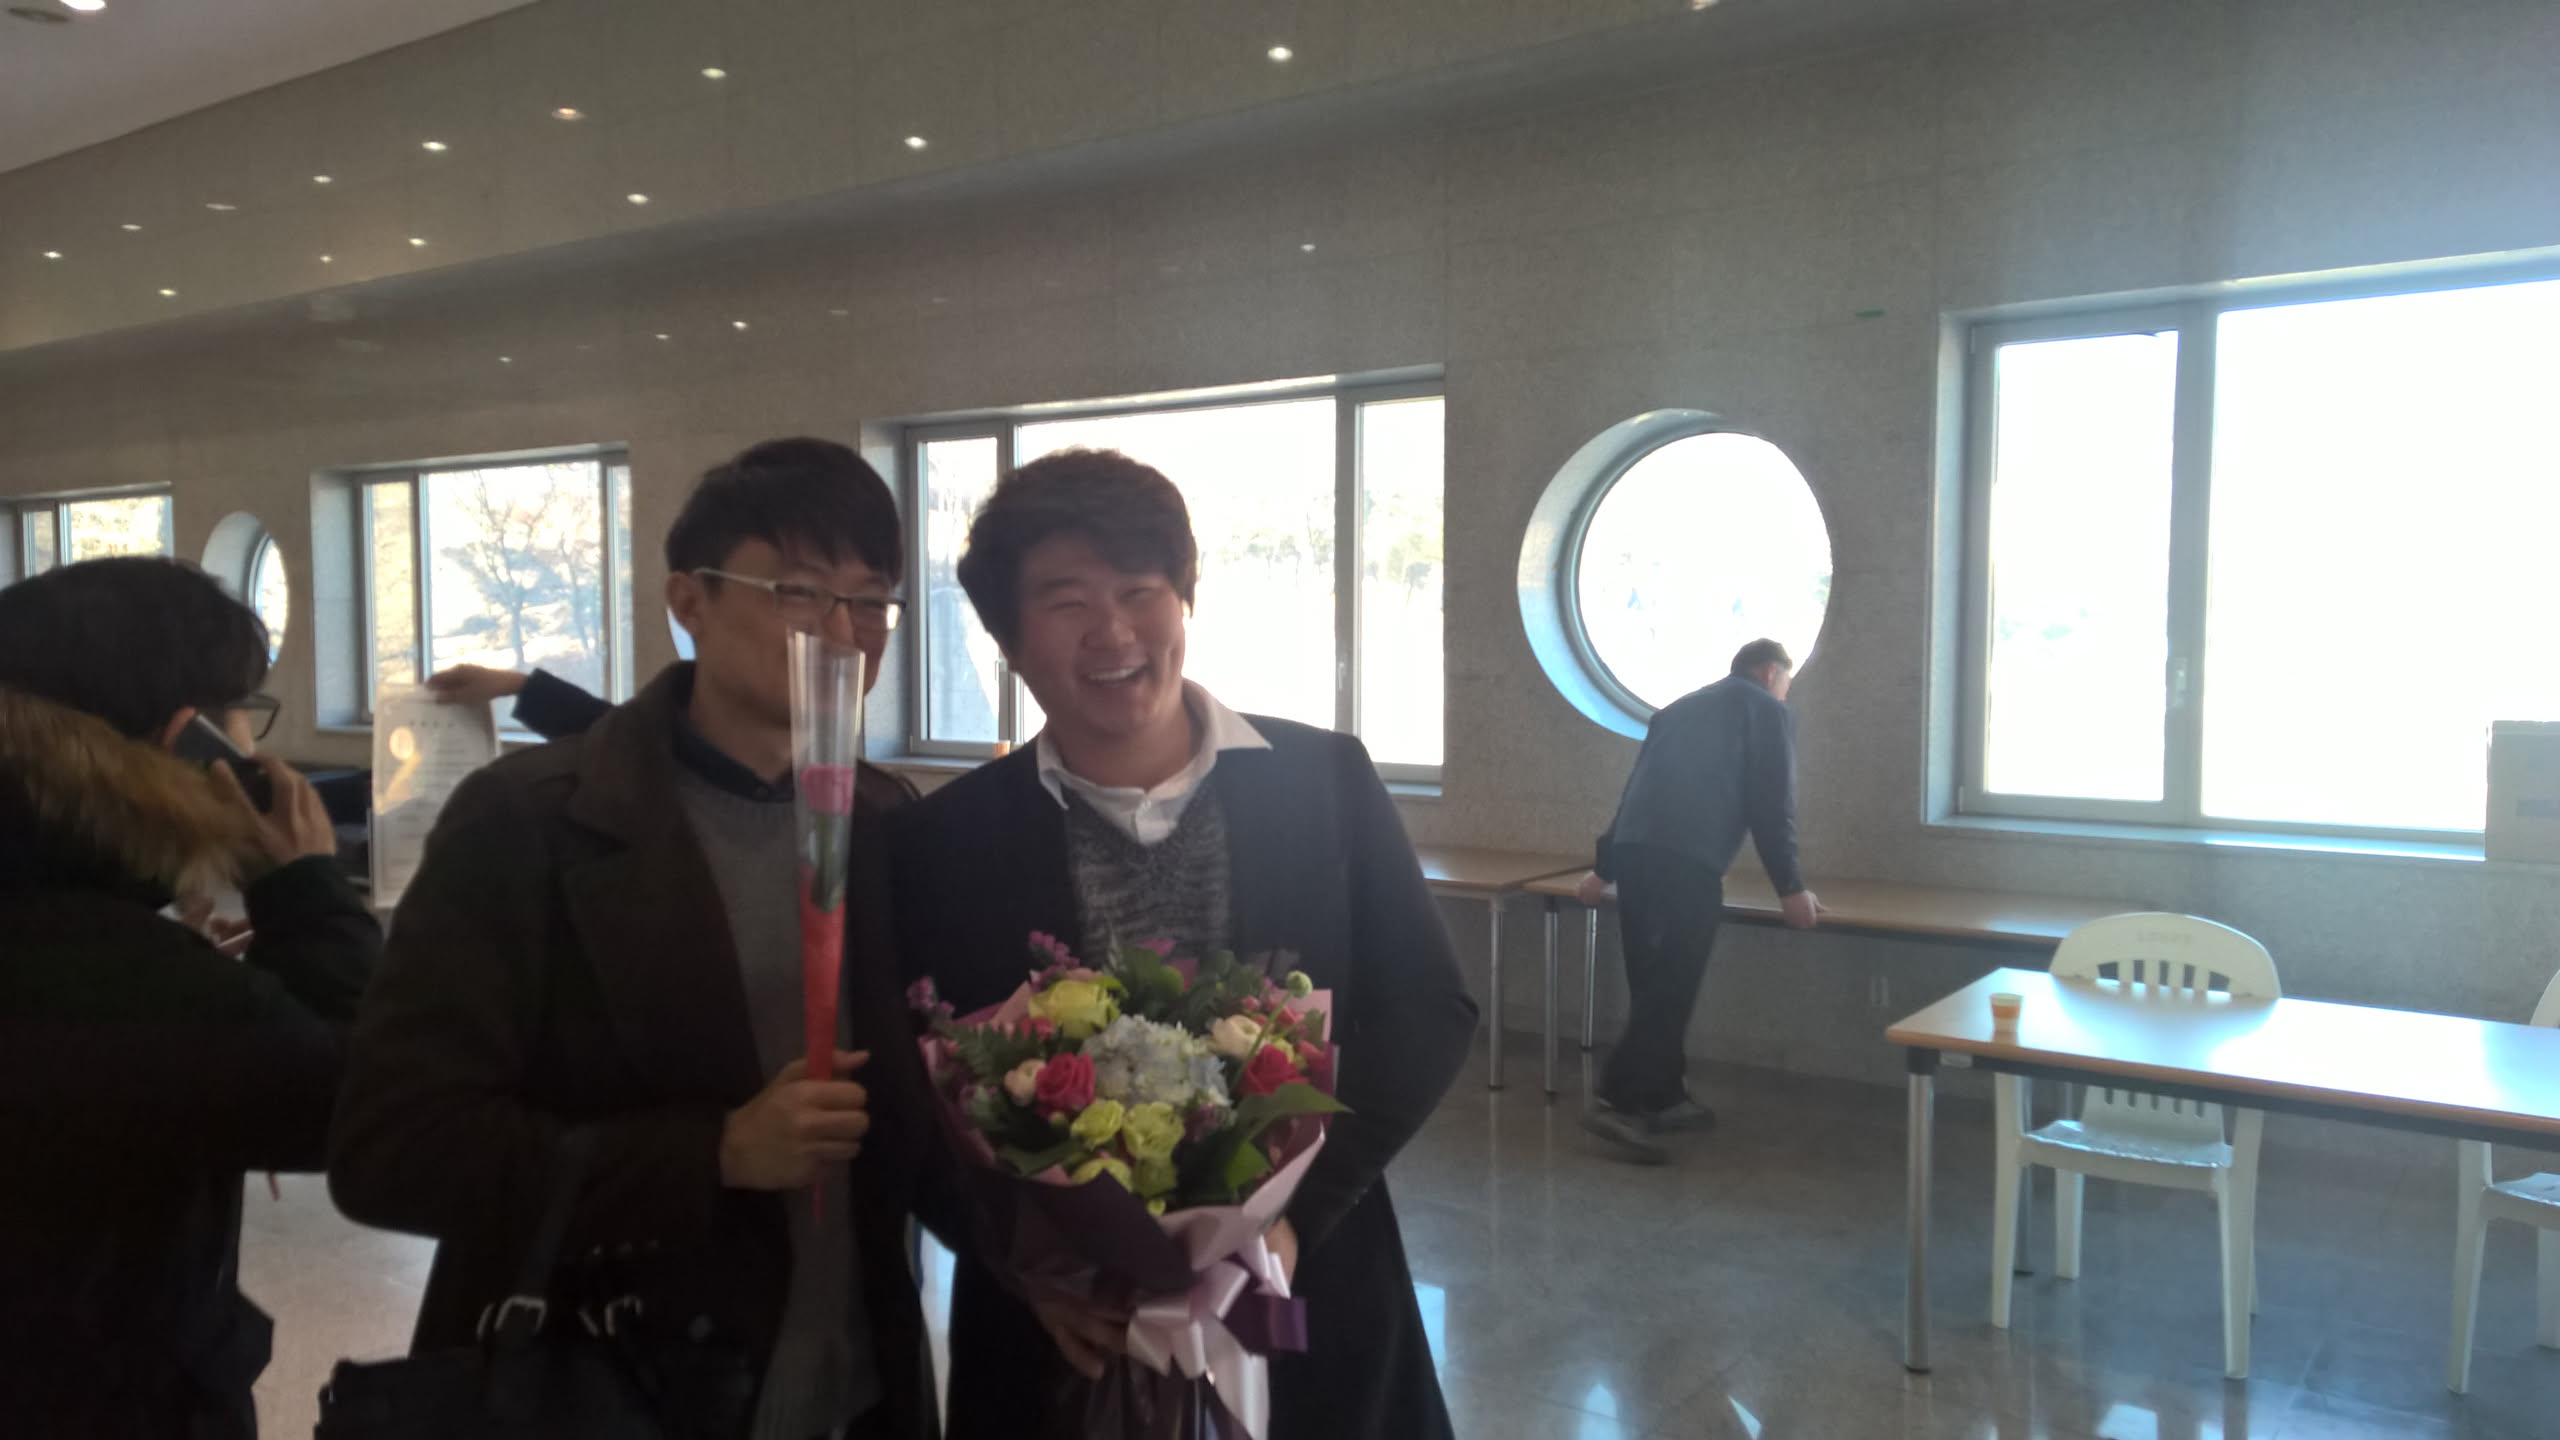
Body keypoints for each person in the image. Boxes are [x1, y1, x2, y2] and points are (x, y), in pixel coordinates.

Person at [329, 438, 935, 1439]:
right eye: (798, 591)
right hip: (621, 1385)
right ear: (689, 600)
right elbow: (392, 1151)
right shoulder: (532, 821)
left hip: (859, 1383)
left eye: (871, 600)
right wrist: (712, 1153)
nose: (842, 632)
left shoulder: (884, 821)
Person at [888, 448, 1475, 1439]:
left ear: (1185, 599)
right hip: (1062, 1328)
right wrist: (1025, 1269)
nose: (1112, 631)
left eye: (1139, 590)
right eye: (1066, 602)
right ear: (1008, 640)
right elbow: (917, 1091)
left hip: (1311, 1282)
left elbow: (1427, 1007)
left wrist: (1295, 1217)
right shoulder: (945, 838)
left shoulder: (1323, 780)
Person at [0, 556, 381, 1438]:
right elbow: (364, 1103)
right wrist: (306, 888)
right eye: (243, 714)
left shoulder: (99, 941)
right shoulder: (117, 970)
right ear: (187, 735)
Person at [1578, 637, 1819, 1164]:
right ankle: (1615, 1099)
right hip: (1688, 862)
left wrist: (1603, 868)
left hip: (1636, 856)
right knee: (1673, 985)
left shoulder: (1678, 710)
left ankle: (1663, 1097)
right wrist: (1791, 888)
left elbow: (1634, 792)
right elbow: (1771, 805)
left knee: (1653, 983)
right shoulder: (1767, 712)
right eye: (1786, 683)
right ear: (1769, 673)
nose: (1786, 694)